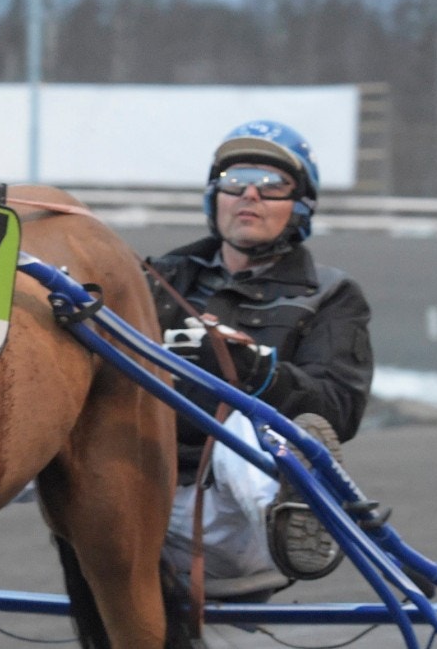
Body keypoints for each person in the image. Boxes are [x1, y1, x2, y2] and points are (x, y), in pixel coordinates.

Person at [148, 119, 374, 601]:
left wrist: (254, 369)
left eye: (271, 185)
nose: (250, 194)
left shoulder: (331, 296)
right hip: (138, 494)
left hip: (237, 523)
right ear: (215, 197)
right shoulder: (155, 280)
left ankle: (298, 515)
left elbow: (338, 408)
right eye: (235, 181)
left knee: (246, 422)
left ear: (300, 206)